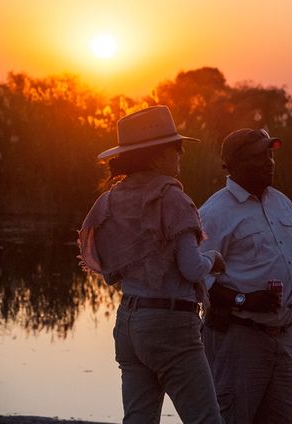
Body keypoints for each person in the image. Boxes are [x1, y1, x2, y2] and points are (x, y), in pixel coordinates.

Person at [78, 105, 224, 423]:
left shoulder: (110, 201)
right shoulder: (171, 198)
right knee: (205, 419)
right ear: (158, 156)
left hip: (128, 322)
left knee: (138, 418)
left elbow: (110, 273)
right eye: (177, 150)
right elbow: (191, 268)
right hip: (170, 325)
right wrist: (213, 260)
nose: (180, 157)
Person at [199, 128, 292, 423]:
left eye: (270, 155)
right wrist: (242, 299)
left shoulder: (282, 203)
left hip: (285, 338)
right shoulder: (214, 213)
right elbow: (196, 279)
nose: (269, 162)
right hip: (239, 340)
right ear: (232, 165)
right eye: (259, 156)